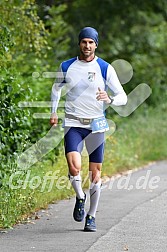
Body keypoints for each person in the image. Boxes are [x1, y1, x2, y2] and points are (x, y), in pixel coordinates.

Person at [50, 27, 127, 232]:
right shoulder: (67, 66)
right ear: (79, 43)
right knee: (74, 167)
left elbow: (123, 96)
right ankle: (80, 196)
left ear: (96, 44)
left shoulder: (104, 68)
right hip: (74, 123)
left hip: (95, 125)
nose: (87, 46)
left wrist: (109, 99)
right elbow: (56, 89)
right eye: (84, 42)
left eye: (91, 42)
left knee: (95, 174)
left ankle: (91, 216)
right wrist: (54, 112)